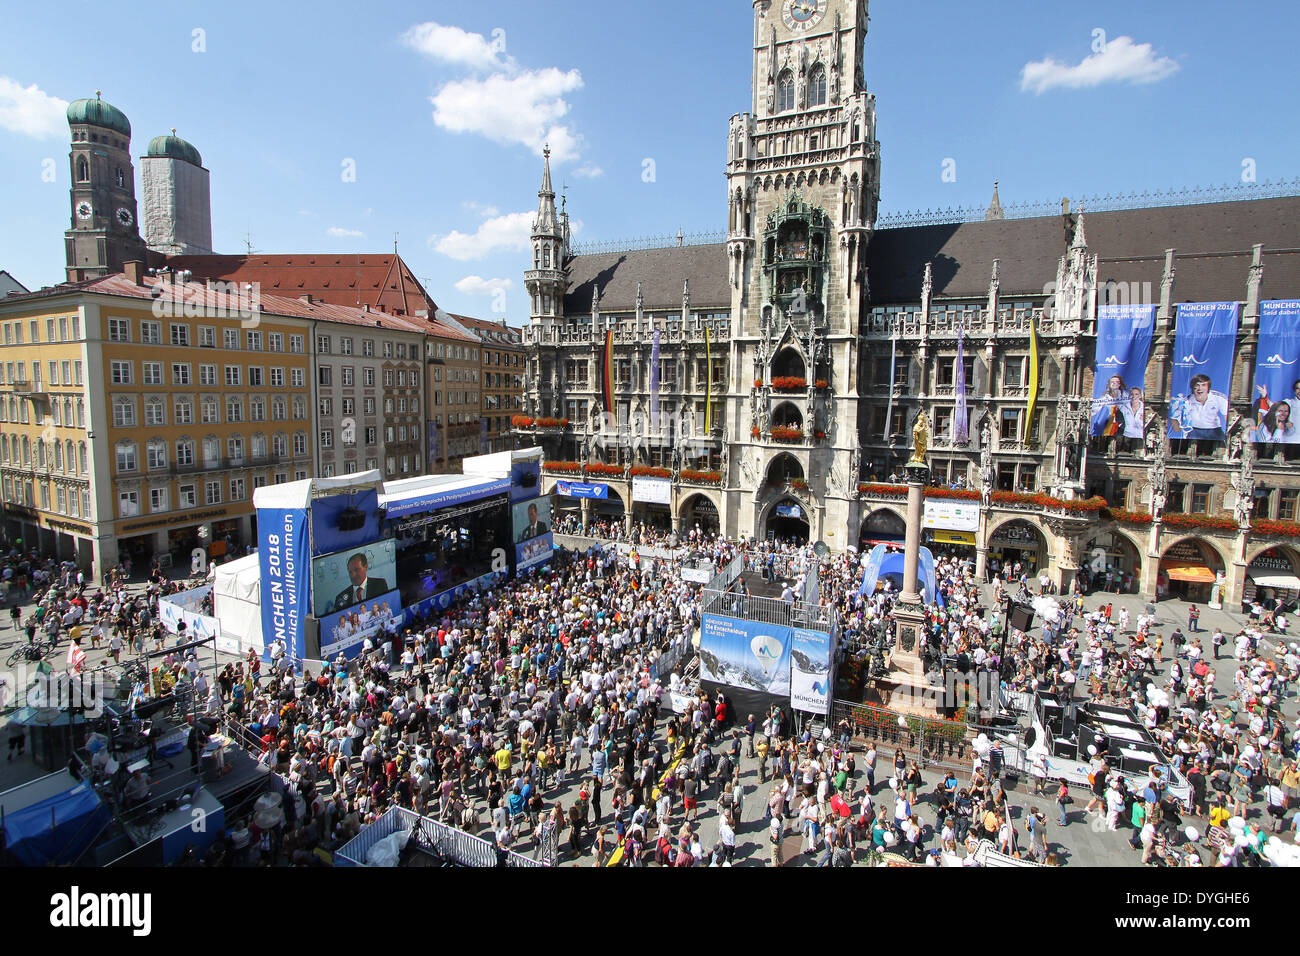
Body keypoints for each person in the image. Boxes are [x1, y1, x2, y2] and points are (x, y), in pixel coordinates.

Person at [1171, 373, 1229, 440]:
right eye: (1197, 385)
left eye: (1203, 385)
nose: (1200, 389)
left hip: (1214, 431)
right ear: (1193, 388)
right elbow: (1176, 427)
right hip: (1194, 431)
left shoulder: (1218, 398)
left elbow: (1227, 416)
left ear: (1208, 388)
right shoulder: (1186, 401)